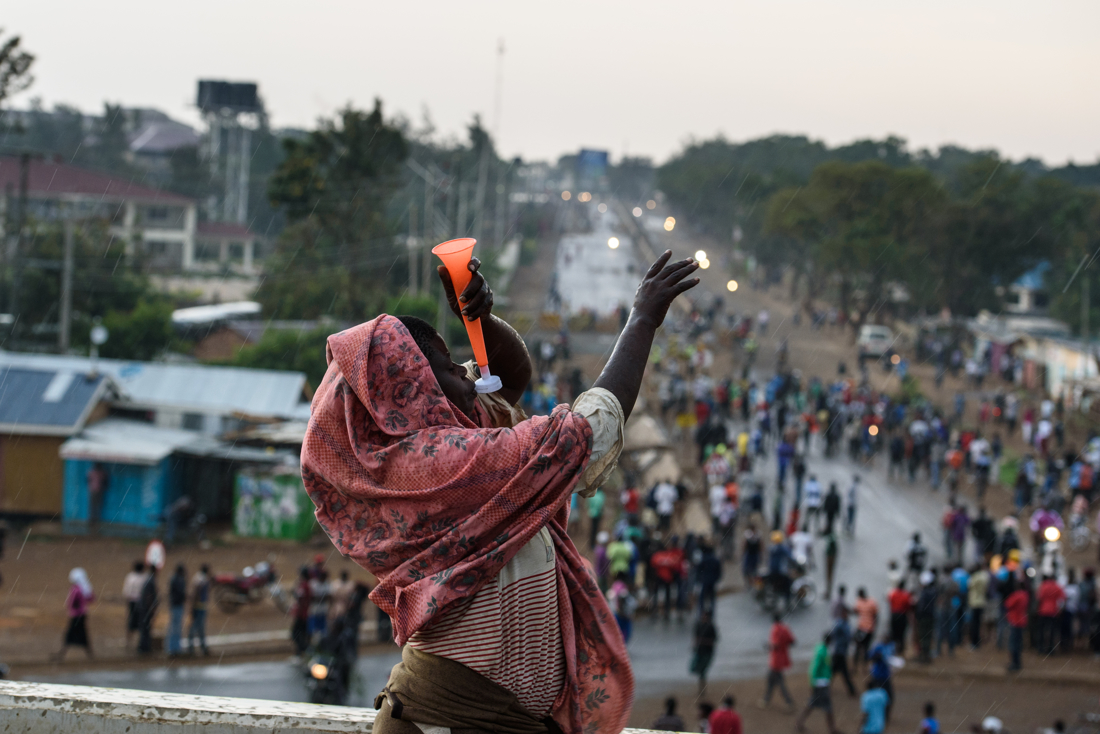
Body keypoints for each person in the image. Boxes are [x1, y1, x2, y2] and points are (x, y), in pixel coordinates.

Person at [302, 251, 697, 734]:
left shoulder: (416, 452)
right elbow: (581, 438)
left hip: (482, 716)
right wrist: (642, 319)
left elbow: (508, 379)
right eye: (452, 368)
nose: (470, 379)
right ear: (415, 389)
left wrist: (481, 321)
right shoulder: (438, 464)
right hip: (449, 718)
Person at [795, 631, 839, 734]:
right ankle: (832, 729)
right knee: (827, 707)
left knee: (811, 705)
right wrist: (812, 683)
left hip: (822, 682)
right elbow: (814, 669)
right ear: (829, 641)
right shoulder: (822, 652)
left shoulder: (822, 649)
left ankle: (798, 724)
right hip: (820, 684)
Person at [759, 613, 796, 712]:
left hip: (776, 660)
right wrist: (784, 645)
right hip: (783, 658)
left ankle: (788, 702)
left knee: (779, 682)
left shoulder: (775, 629)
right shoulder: (785, 628)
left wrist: (767, 646)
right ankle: (766, 699)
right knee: (771, 680)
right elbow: (792, 642)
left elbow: (775, 645)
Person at [56, 568, 95, 661]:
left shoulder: (76, 589)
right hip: (82, 614)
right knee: (81, 634)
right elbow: (90, 599)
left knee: (71, 634)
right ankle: (89, 654)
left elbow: (72, 602)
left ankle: (63, 653)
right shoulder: (83, 588)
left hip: (76, 615)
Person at [1037, 575, 1066, 654]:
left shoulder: (1043, 586)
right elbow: (1062, 598)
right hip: (1053, 610)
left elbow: (1039, 597)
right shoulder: (1057, 587)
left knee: (1042, 630)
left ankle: (1041, 648)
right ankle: (1050, 649)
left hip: (1043, 610)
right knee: (1052, 631)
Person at [1005, 577, 1029, 671]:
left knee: (1013, 643)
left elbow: (1007, 604)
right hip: (1022, 620)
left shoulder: (1017, 595)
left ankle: (1014, 663)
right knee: (1018, 643)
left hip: (1015, 620)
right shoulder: (1025, 595)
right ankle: (1017, 663)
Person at [691, 610, 718, 692]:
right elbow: (695, 638)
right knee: (697, 669)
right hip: (699, 651)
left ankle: (702, 688)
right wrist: (695, 646)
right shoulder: (698, 625)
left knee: (703, 671)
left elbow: (714, 640)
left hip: (707, 652)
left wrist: (703, 641)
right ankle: (702, 688)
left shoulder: (711, 627)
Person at [852, 587, 878, 672]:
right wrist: (874, 627)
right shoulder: (872, 602)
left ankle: (856, 667)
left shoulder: (859, 602)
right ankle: (864, 667)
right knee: (865, 648)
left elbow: (855, 611)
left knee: (858, 648)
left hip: (862, 628)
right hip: (869, 629)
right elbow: (876, 616)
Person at [830, 614, 857, 697]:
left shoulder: (842, 624)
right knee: (843, 673)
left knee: (833, 672)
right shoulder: (840, 624)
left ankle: (852, 690)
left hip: (839, 653)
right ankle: (852, 690)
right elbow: (847, 636)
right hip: (839, 653)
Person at [607, 572, 637, 643]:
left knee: (618, 631)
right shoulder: (625, 587)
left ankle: (619, 644)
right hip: (623, 614)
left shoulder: (615, 585)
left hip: (618, 613)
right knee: (625, 632)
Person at [122, 561, 145, 651]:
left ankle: (128, 643)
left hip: (131, 602)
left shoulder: (129, 577)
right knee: (140, 622)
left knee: (131, 622)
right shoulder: (142, 578)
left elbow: (126, 591)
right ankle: (138, 643)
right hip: (139, 602)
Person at [188, 564, 210, 656]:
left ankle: (198, 647)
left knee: (198, 627)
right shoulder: (202, 579)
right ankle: (194, 647)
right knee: (197, 627)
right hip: (199, 607)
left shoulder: (198, 577)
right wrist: (193, 605)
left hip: (199, 606)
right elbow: (196, 592)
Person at [166, 564, 187, 657]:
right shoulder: (177, 580)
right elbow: (180, 593)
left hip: (176, 605)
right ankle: (172, 649)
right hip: (176, 606)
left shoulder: (175, 579)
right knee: (175, 628)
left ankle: (174, 648)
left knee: (175, 628)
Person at [291, 566, 312, 655]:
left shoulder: (304, 585)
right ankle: (302, 651)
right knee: (303, 633)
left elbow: (299, 596)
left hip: (302, 614)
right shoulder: (307, 584)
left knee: (295, 633)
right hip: (305, 613)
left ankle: (302, 650)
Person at [137, 565, 158, 655]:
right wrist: (151, 609)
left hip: (144, 608)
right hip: (146, 608)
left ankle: (144, 647)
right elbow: (148, 596)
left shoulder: (147, 578)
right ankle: (144, 648)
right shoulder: (151, 580)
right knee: (146, 628)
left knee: (145, 628)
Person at [888, 581, 913, 655]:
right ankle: (900, 650)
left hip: (894, 615)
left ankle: (893, 649)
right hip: (902, 615)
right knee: (901, 634)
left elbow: (890, 601)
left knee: (893, 633)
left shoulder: (893, 594)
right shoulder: (906, 595)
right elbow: (908, 606)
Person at [969, 563, 990, 648]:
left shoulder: (974, 578)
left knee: (974, 624)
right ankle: (977, 642)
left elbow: (969, 586)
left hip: (974, 602)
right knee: (978, 623)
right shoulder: (984, 577)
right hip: (982, 602)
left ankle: (974, 642)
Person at [86, 463, 108, 534]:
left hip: (93, 490)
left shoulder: (91, 472)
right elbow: (106, 482)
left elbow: (87, 480)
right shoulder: (102, 473)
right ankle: (95, 520)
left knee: (93, 506)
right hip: (98, 491)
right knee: (97, 506)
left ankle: (93, 520)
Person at [587, 486, 605, 551]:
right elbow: (601, 506)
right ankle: (595, 544)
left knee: (592, 529)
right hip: (598, 515)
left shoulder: (592, 494)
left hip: (591, 514)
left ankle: (591, 544)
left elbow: (588, 504)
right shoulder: (601, 495)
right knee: (596, 529)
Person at [824, 531, 838, 601]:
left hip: (830, 560)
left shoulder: (831, 551)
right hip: (831, 559)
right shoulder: (834, 548)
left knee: (829, 576)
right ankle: (828, 591)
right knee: (829, 577)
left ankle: (828, 592)